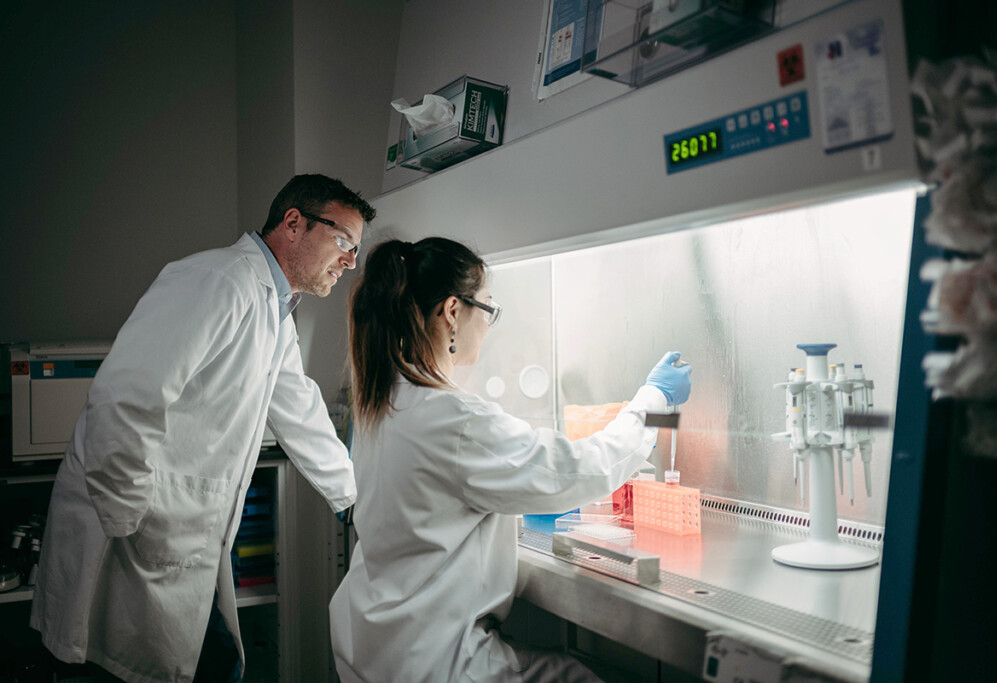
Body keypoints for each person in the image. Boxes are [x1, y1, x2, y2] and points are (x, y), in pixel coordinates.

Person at [30, 173, 376, 683]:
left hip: (182, 538)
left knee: (214, 663)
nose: (350, 261)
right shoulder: (218, 279)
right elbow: (127, 396)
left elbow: (296, 404)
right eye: (344, 240)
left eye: (355, 249)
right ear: (294, 223)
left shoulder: (274, 308)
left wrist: (356, 497)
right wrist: (129, 519)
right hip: (132, 533)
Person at [330, 237, 693, 682]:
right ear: (451, 313)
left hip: (373, 646)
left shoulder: (381, 403)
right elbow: (578, 469)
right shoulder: (453, 418)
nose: (488, 324)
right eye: (488, 310)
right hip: (434, 663)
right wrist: (653, 403)